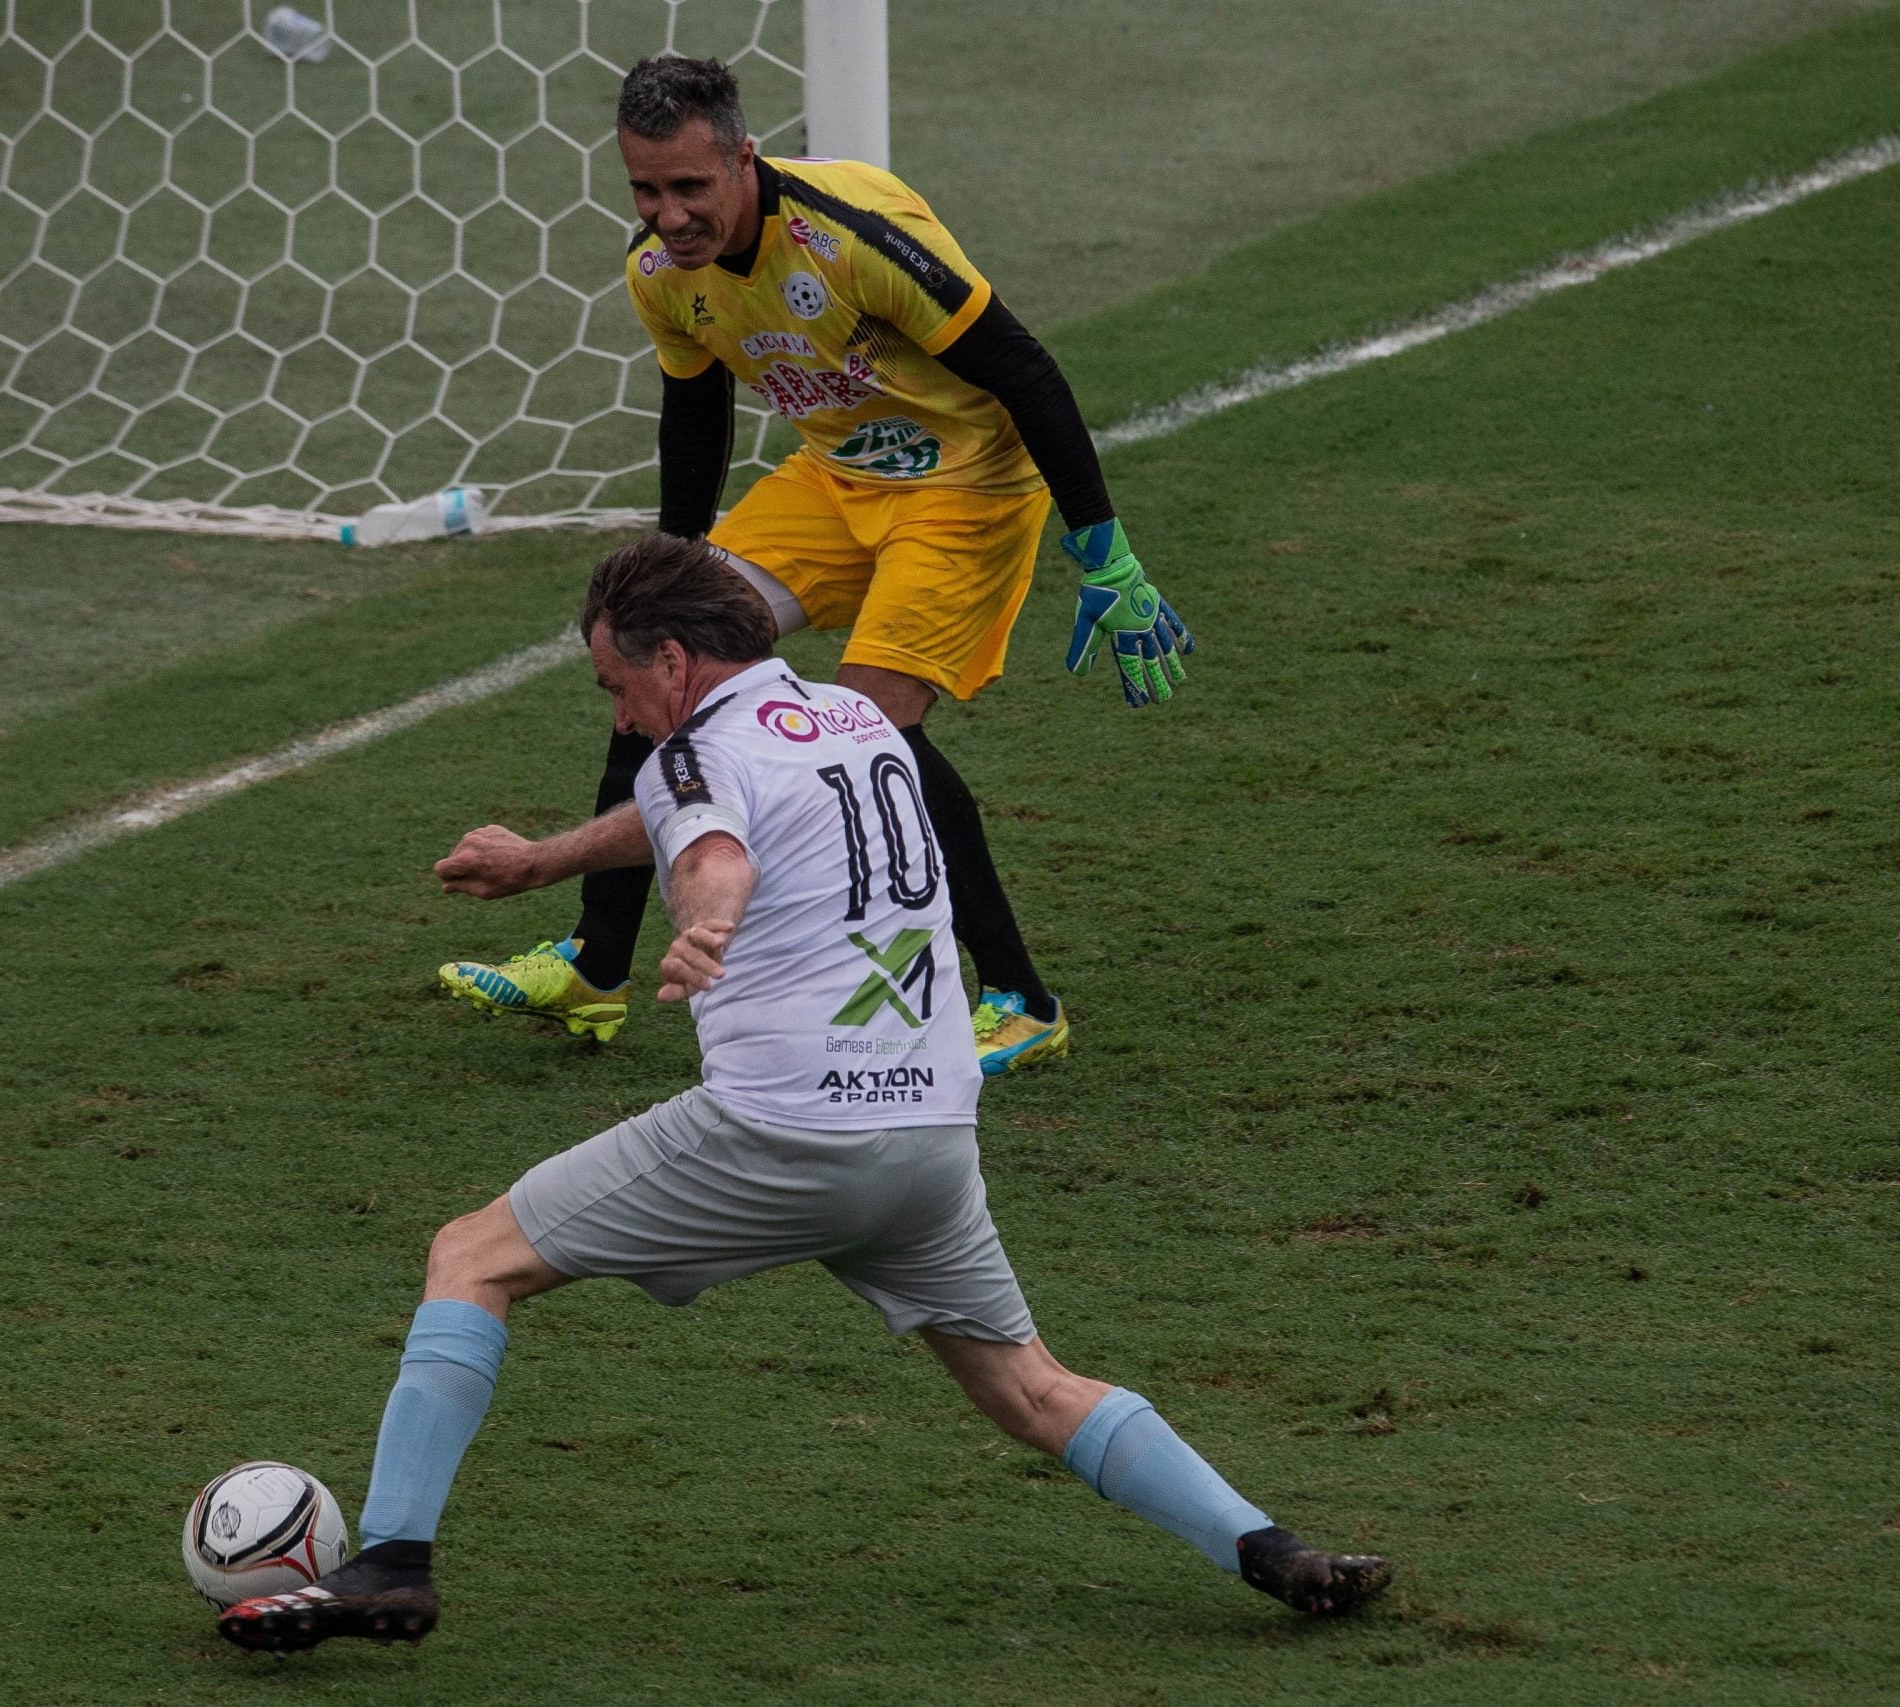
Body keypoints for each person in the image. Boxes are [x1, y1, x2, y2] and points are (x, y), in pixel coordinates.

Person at [218, 538, 1384, 1654]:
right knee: (1030, 1387)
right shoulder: (853, 718)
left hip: (785, 1134)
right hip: (928, 1140)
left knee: (472, 1257)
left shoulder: (689, 759)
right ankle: (1271, 1550)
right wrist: (542, 862)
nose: (619, 716)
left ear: (673, 659)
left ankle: (393, 1560)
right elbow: (701, 814)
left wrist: (705, 924)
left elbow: (709, 848)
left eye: (616, 685)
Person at [436, 54, 1191, 1077]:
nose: (668, 216)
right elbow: (693, 408)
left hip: (964, 484)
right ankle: (596, 965)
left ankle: (1021, 997)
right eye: (646, 190)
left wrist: (1104, 550)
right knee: (653, 655)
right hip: (835, 476)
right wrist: (671, 570)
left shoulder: (854, 239)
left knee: (873, 730)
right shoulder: (660, 271)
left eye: (689, 187)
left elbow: (1023, 370)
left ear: (743, 160)